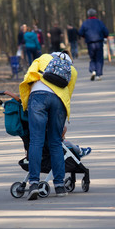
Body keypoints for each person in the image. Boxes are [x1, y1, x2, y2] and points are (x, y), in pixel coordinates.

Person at [19, 50, 77, 200]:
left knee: (36, 141)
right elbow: (68, 93)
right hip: (58, 102)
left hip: (38, 97)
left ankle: (33, 184)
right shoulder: (72, 70)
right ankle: (59, 186)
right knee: (56, 143)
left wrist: (26, 104)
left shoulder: (43, 58)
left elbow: (28, 77)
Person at [79, 8, 109, 81]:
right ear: (95, 14)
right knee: (99, 58)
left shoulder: (85, 23)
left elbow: (80, 32)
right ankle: (98, 75)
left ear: (88, 15)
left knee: (92, 58)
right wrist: (104, 37)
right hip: (99, 42)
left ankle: (93, 71)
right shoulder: (99, 22)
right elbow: (106, 32)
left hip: (90, 43)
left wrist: (85, 37)